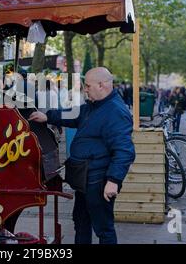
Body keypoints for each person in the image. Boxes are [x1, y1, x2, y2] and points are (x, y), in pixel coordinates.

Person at [29, 67, 135, 244]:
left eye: (88, 86)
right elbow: (71, 115)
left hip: (98, 180)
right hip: (84, 179)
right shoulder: (94, 106)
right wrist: (47, 116)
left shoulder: (116, 111)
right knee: (81, 222)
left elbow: (125, 151)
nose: (85, 89)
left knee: (103, 229)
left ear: (101, 85)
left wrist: (114, 180)